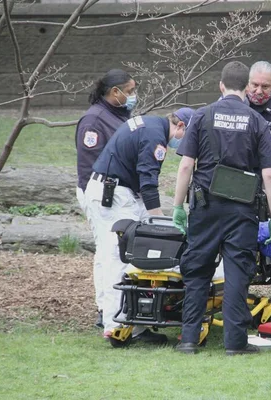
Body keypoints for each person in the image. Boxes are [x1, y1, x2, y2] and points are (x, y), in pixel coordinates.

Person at [172, 61, 271, 356]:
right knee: (236, 274)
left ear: (221, 85)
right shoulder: (257, 121)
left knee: (197, 273)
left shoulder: (202, 116)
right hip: (241, 211)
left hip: (205, 207)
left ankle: (189, 340)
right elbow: (269, 174)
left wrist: (178, 206)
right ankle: (235, 343)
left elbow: (185, 166)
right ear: (246, 87)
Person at [84, 107, 194, 344]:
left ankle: (111, 314)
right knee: (121, 256)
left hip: (109, 189)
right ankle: (118, 325)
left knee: (109, 254)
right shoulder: (157, 138)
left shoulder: (152, 124)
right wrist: (163, 224)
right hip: (114, 194)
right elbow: (148, 182)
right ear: (181, 127)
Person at [75, 69, 135, 328]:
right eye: (130, 91)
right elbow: (90, 165)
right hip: (101, 193)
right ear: (115, 92)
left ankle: (111, 305)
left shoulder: (117, 114)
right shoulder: (94, 120)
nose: (133, 96)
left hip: (115, 192)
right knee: (107, 252)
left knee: (110, 251)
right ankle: (105, 307)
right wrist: (101, 200)